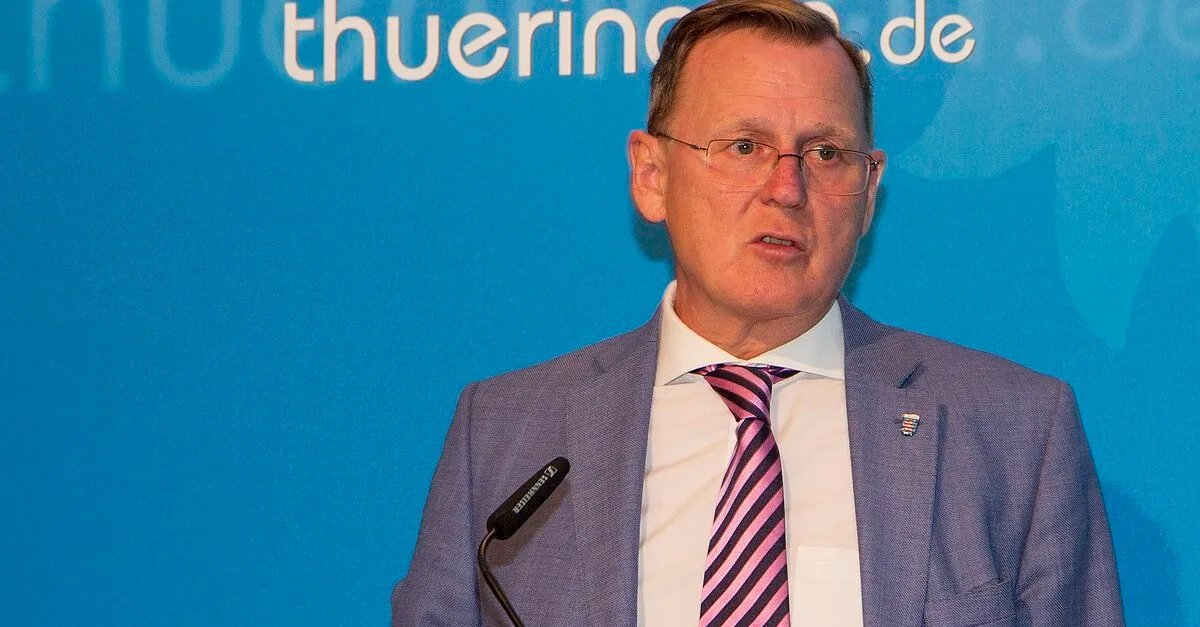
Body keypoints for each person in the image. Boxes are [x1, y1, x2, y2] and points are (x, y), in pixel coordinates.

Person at [391, 1, 1124, 625]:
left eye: (826, 153)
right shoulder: (506, 431)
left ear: (869, 191)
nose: (787, 188)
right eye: (744, 146)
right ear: (651, 175)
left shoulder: (1015, 429)